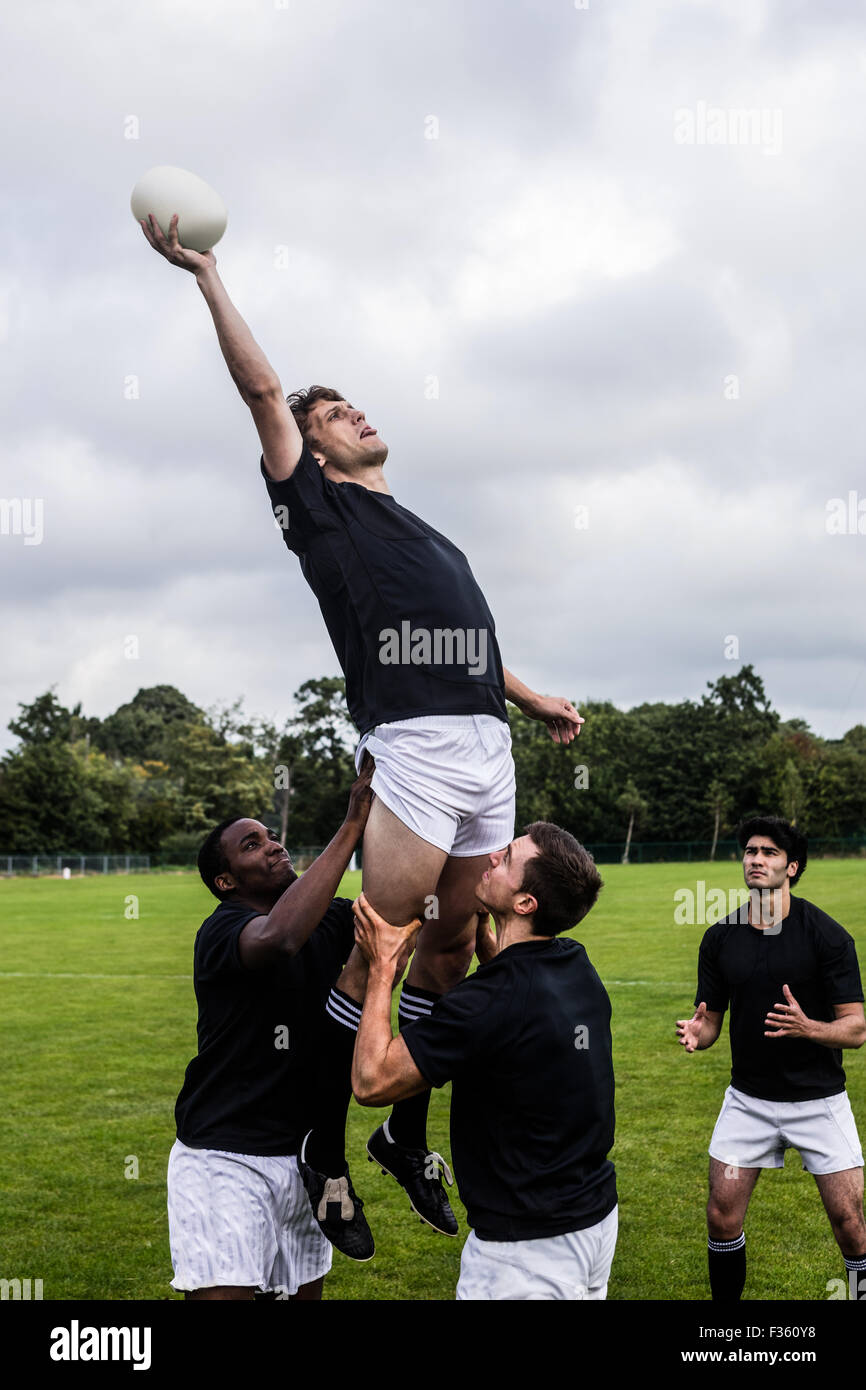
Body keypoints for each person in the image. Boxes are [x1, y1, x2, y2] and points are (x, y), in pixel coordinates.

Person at [140, 213, 584, 1236]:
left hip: (484, 740)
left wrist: (530, 695)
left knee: (450, 944)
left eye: (351, 405)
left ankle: (398, 1133)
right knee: (373, 945)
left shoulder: (418, 525)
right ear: (314, 450)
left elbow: (459, 637)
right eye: (332, 413)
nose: (353, 414)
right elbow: (261, 391)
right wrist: (208, 275)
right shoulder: (317, 507)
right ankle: (326, 1147)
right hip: (418, 748)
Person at [350, 821, 618, 1300]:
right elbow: (517, 1002)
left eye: (507, 859)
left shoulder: (487, 1002)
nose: (492, 856)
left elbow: (371, 1081)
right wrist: (491, 942)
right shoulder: (575, 965)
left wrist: (383, 968)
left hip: (523, 1257)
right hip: (592, 1221)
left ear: (525, 904)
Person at [167, 759, 387, 1298]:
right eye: (250, 846)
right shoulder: (225, 931)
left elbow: (393, 913)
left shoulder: (326, 921)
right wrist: (351, 824)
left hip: (305, 1161)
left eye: (268, 835)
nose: (271, 844)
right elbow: (281, 938)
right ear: (226, 881)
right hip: (226, 1158)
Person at [677, 814, 866, 1302]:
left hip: (818, 1101)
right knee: (721, 1216)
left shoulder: (827, 937)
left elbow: (856, 1029)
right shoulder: (721, 937)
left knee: (851, 1225)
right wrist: (700, 1032)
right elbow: (712, 1020)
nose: (755, 859)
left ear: (793, 866)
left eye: (769, 853)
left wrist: (809, 1028)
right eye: (749, 851)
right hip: (749, 1101)